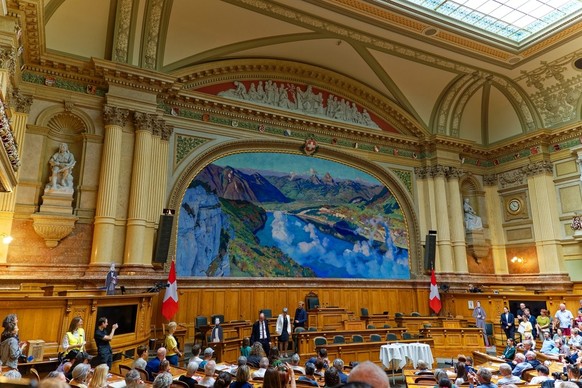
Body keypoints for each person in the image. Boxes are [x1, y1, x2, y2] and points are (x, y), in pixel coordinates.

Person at [0, 314, 27, 379]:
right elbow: (14, 355)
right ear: (12, 327)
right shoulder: (13, 340)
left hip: (3, 367)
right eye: (16, 325)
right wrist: (21, 348)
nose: (18, 328)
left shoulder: (5, 338)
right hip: (10, 369)